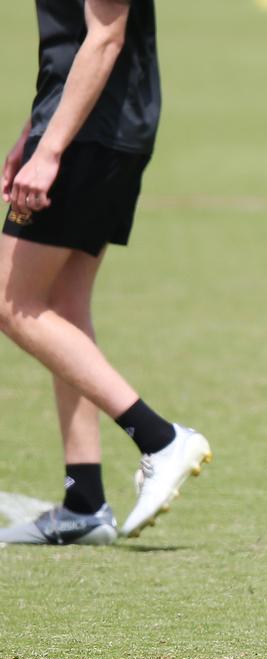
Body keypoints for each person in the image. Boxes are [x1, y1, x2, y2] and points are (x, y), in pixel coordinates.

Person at [0, 0, 211, 546]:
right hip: (91, 129)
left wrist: (49, 150)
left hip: (90, 137)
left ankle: (160, 439)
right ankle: (84, 502)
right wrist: (34, 129)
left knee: (10, 299)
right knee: (63, 306)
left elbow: (105, 38)